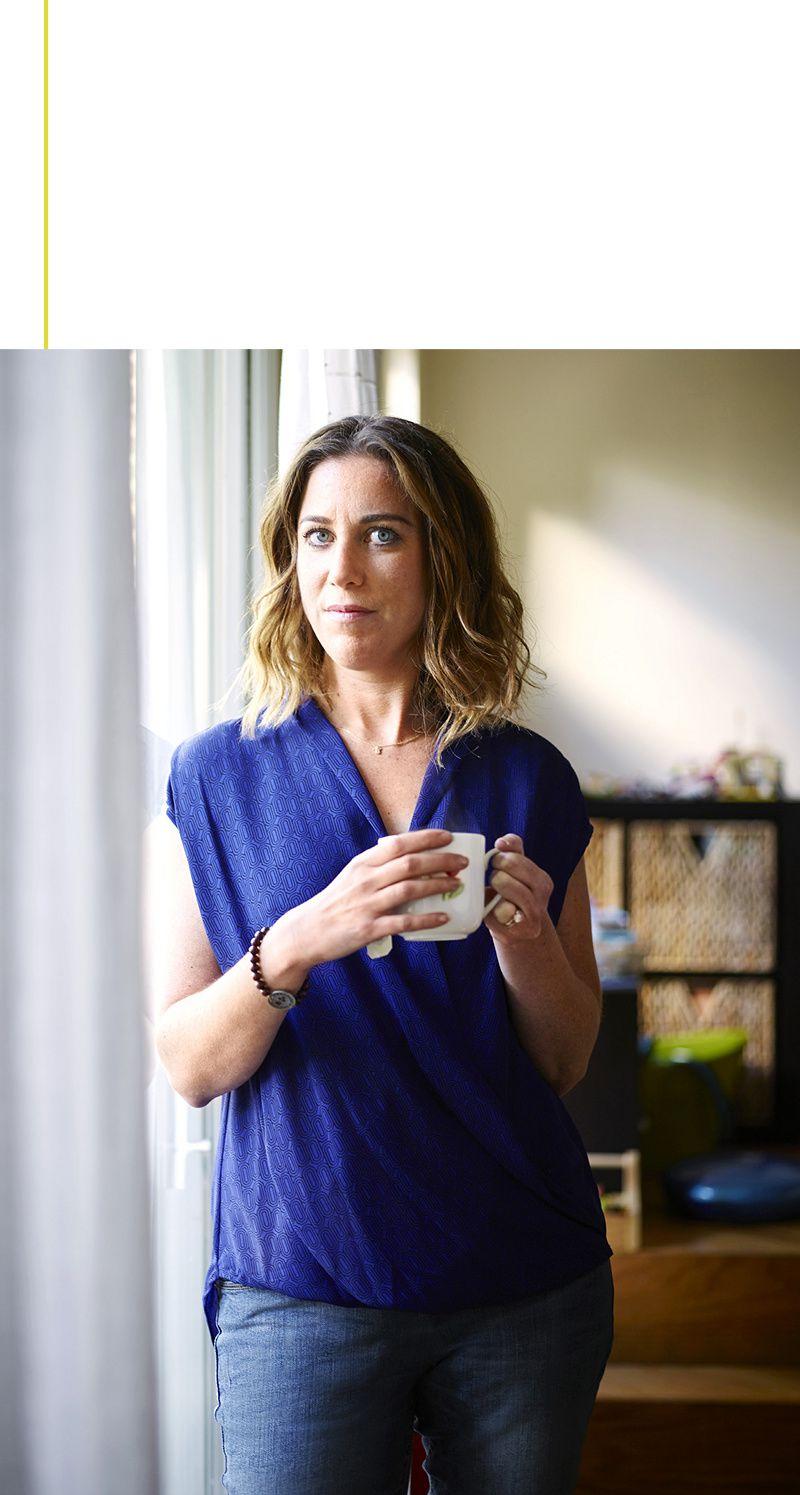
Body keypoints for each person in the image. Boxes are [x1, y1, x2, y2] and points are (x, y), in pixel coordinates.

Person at [154, 414, 614, 1495]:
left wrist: (525, 940)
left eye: (382, 535)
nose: (342, 569)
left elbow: (563, 1058)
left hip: (522, 1286)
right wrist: (302, 936)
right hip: (301, 1289)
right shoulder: (215, 777)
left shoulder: (526, 775)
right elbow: (189, 1063)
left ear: (442, 556)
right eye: (318, 536)